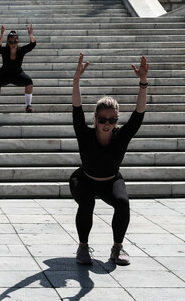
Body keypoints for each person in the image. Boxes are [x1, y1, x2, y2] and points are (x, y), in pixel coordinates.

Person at [70, 53, 149, 266]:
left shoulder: (121, 136)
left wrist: (143, 82)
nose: (107, 123)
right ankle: (83, 246)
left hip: (111, 180)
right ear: (95, 119)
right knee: (86, 203)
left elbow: (138, 115)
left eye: (112, 120)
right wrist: (76, 79)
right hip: (84, 179)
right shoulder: (85, 134)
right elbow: (77, 109)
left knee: (122, 203)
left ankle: (117, 247)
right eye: (103, 119)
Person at [0, 24, 36, 113]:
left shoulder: (21, 50)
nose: (13, 44)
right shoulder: (5, 51)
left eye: (15, 42)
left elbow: (32, 44)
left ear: (18, 42)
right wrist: (2, 35)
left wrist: (31, 35)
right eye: (11, 42)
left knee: (29, 81)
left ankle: (28, 105)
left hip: (17, 74)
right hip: (5, 74)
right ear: (8, 42)